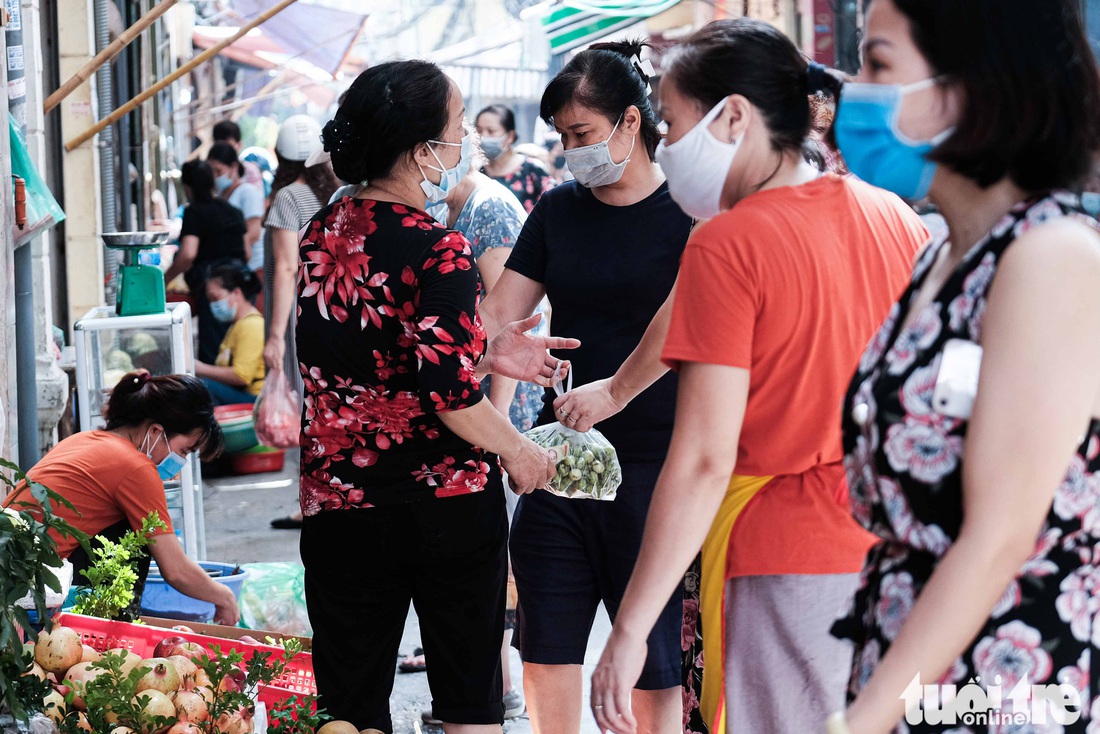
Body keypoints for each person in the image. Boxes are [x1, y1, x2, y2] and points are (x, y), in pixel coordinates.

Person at [582, 20, 929, 734]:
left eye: (672, 125)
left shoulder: (727, 243)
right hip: (894, 555)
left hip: (786, 559)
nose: (667, 147)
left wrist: (628, 630)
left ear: (733, 116)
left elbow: (706, 459)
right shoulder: (893, 215)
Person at [820, 2, 1100, 733]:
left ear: (968, 87)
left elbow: (1000, 536)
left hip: (1006, 690)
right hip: (917, 671)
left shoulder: (1054, 257)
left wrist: (862, 722)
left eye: (879, 64)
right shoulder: (941, 257)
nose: (856, 88)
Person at [297, 59, 577, 734]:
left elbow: (375, 362)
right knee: (467, 698)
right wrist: (520, 453)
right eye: (456, 128)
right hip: (442, 506)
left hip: (339, 499)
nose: (465, 145)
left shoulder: (323, 234)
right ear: (423, 151)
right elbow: (449, 397)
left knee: (350, 702)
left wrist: (485, 350)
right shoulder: (439, 250)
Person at [475, 40, 693, 734]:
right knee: (546, 641)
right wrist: (484, 354)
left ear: (631, 123)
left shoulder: (691, 214)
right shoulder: (560, 212)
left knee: (656, 656)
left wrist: (619, 390)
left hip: (660, 464)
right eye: (563, 140)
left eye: (582, 136)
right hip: (562, 457)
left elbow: (689, 318)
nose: (573, 152)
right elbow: (494, 321)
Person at [415, 144, 545, 726]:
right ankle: (497, 682)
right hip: (473, 404)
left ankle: (504, 686)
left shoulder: (491, 210)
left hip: (497, 407)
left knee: (497, 557)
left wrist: (494, 436)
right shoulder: (450, 211)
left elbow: (508, 329)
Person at [2, 371, 239, 625]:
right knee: (141, 535)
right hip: (27, 586)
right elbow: (176, 570)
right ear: (156, 431)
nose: (178, 463)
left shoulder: (84, 439)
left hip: (10, 564)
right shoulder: (136, 467)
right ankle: (111, 627)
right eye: (183, 451)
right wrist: (224, 596)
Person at [262, 115, 340, 530]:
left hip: (298, 321)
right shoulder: (333, 193)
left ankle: (310, 501)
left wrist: (276, 337)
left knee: (303, 413)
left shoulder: (288, 199)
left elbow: (287, 267)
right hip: (334, 313)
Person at [164, 160, 247, 365]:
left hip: (215, 290)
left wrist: (164, 279)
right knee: (239, 349)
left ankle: (216, 395)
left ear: (187, 187)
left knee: (214, 356)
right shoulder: (232, 210)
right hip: (241, 287)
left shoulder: (194, 211)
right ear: (213, 183)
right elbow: (247, 252)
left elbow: (188, 255)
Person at [195, 264, 265, 406]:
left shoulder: (251, 325)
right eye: (210, 300)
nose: (213, 305)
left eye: (216, 298)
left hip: (252, 398)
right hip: (241, 394)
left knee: (204, 388)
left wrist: (200, 368)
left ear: (236, 293)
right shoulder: (237, 324)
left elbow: (241, 375)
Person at [477, 104, 556, 214]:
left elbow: (554, 209)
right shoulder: (477, 173)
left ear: (510, 136)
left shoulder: (533, 170)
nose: (483, 137)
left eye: (491, 131)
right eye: (479, 131)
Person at [208, 142, 265, 267]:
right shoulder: (219, 196)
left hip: (252, 266)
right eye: (211, 172)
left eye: (219, 171)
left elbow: (254, 233)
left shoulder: (248, 192)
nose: (215, 177)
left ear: (233, 167)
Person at [213, 119, 265, 190]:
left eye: (229, 146)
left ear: (239, 145)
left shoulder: (250, 172)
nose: (224, 151)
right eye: (219, 146)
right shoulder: (208, 172)